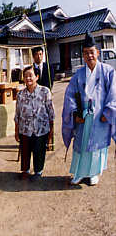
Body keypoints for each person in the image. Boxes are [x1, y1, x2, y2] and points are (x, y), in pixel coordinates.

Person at [62, 31, 116, 186]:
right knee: (81, 144)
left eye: (92, 52)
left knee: (96, 146)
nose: (89, 56)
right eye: (86, 53)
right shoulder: (79, 73)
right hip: (83, 114)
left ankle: (93, 174)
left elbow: (114, 93)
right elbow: (69, 95)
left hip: (100, 114)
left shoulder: (108, 71)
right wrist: (74, 113)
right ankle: (79, 173)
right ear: (83, 55)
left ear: (97, 52)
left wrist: (109, 111)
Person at [14, 65, 55, 182]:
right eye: (26, 76)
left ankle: (38, 171)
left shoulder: (45, 91)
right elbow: (17, 114)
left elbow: (51, 111)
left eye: (30, 76)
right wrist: (16, 131)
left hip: (41, 128)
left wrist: (51, 129)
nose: (28, 79)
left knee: (39, 150)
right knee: (25, 149)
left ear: (37, 77)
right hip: (25, 129)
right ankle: (25, 171)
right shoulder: (20, 94)